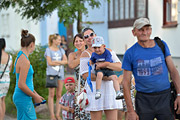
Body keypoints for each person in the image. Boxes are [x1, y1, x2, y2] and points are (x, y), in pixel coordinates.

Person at [122, 17, 180, 120]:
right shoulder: (130, 53)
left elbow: (173, 71)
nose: (145, 33)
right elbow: (125, 83)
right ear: (134, 32)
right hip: (143, 100)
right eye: (140, 30)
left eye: (147, 29)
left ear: (151, 30)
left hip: (165, 98)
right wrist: (130, 111)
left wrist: (179, 94)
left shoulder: (161, 45)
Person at [80, 28, 122, 120]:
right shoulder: (85, 54)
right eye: (86, 36)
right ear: (84, 40)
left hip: (110, 89)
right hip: (95, 89)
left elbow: (119, 66)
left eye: (91, 34)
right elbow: (86, 75)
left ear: (96, 35)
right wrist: (108, 77)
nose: (89, 38)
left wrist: (105, 64)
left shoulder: (109, 51)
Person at [13, 30, 44, 120]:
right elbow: (21, 84)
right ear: (31, 44)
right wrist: (35, 96)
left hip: (22, 96)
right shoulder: (24, 60)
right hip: (23, 97)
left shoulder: (20, 56)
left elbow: (26, 81)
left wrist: (35, 94)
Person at [68, 33, 91, 120]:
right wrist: (83, 56)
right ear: (74, 43)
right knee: (80, 112)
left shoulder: (90, 53)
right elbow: (71, 64)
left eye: (80, 41)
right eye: (76, 41)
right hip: (79, 87)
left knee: (90, 111)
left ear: (84, 42)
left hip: (90, 85)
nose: (78, 43)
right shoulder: (72, 55)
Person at [44, 34, 68, 120]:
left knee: (59, 95)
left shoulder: (61, 50)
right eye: (58, 40)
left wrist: (57, 62)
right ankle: (52, 115)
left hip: (60, 75)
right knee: (51, 94)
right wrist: (60, 62)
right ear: (53, 40)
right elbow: (50, 63)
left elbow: (66, 61)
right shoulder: (48, 50)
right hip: (51, 75)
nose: (60, 41)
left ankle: (58, 114)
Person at [0, 38, 13, 120]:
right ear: (5, 46)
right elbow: (10, 70)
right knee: (3, 100)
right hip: (7, 81)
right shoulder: (10, 57)